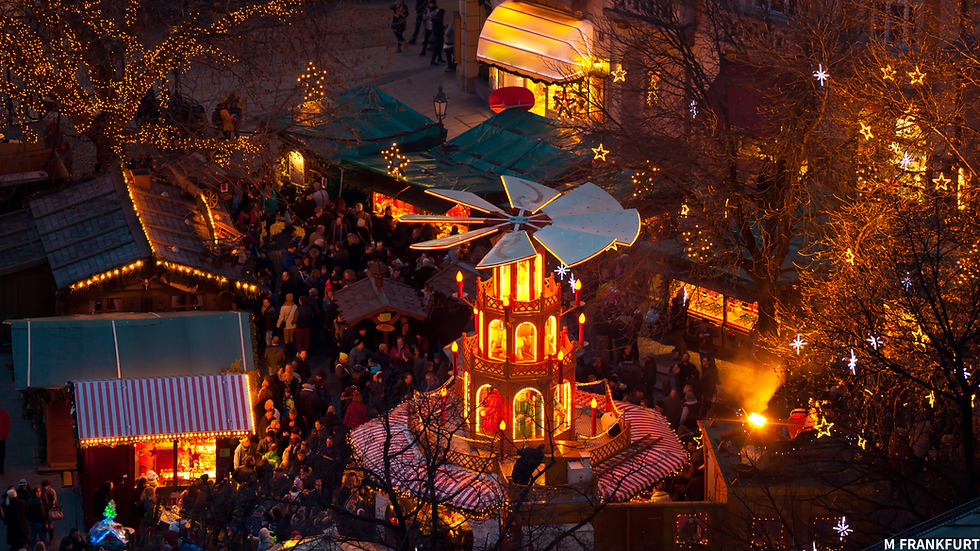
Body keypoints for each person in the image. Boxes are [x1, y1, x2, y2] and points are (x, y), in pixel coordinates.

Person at [0, 400, 9, 475]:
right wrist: (5, 431)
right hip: (2, 436)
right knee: (2, 452)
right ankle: (0, 468)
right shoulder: (3, 413)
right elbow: (8, 423)